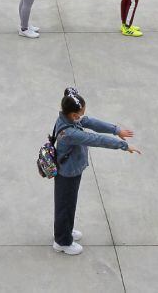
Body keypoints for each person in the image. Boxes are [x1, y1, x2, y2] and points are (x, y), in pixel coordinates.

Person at [52, 88, 140, 256]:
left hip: (71, 170)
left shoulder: (68, 117)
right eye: (80, 114)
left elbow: (90, 122)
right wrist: (124, 146)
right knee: (65, 206)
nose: (82, 117)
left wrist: (116, 130)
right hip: (68, 173)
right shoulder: (69, 133)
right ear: (72, 115)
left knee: (68, 205)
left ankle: (65, 231)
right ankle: (62, 241)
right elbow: (96, 139)